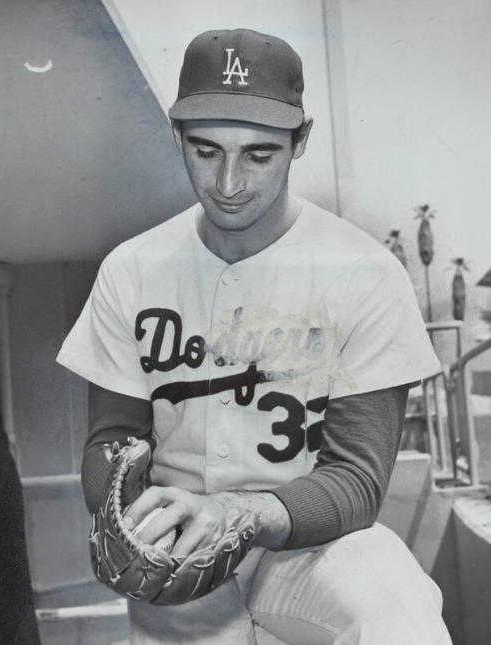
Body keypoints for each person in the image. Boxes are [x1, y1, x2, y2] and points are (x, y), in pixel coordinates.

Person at [57, 28, 452, 645]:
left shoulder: (365, 273)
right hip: (178, 555)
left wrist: (235, 514)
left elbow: (356, 480)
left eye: (259, 154)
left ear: (301, 141)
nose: (229, 182)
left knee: (399, 620)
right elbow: (112, 439)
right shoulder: (131, 268)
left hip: (312, 547)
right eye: (206, 150)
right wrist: (120, 508)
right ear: (176, 136)